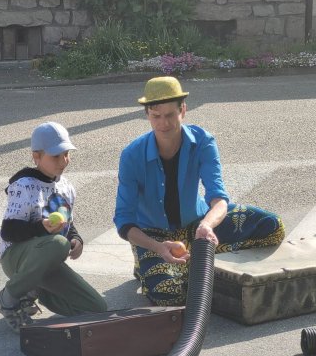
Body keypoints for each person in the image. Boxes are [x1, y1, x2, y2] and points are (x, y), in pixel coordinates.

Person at [114, 76, 285, 306]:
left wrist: (207, 225)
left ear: (183, 110)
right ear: (147, 115)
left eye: (170, 115)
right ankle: (151, 260)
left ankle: (195, 259)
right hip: (155, 236)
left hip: (198, 227)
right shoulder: (131, 155)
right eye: (156, 116)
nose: (163, 123)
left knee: (272, 227)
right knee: (169, 293)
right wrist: (157, 248)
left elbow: (219, 198)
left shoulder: (203, 141)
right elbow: (124, 221)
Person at [0, 121, 107, 333]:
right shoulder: (24, 184)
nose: (63, 161)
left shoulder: (66, 186)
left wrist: (76, 239)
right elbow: (8, 231)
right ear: (36, 156)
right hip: (16, 258)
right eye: (56, 156)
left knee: (97, 308)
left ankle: (33, 289)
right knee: (58, 244)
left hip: (47, 260)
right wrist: (42, 228)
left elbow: (67, 223)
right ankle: (8, 298)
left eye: (66, 154)